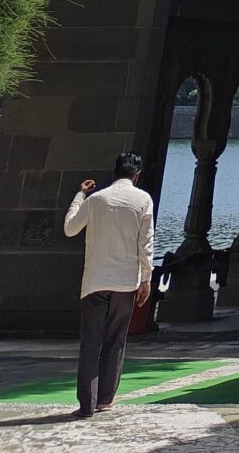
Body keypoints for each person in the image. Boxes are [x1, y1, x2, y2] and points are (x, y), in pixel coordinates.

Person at [63, 154, 154, 418]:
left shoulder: (96, 199)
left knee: (91, 342)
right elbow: (145, 243)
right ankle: (105, 398)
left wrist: (79, 195)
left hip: (95, 281)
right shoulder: (143, 199)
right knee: (115, 341)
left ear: (114, 172)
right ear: (136, 175)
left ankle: (86, 403)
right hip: (125, 282)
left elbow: (70, 228)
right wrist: (146, 278)